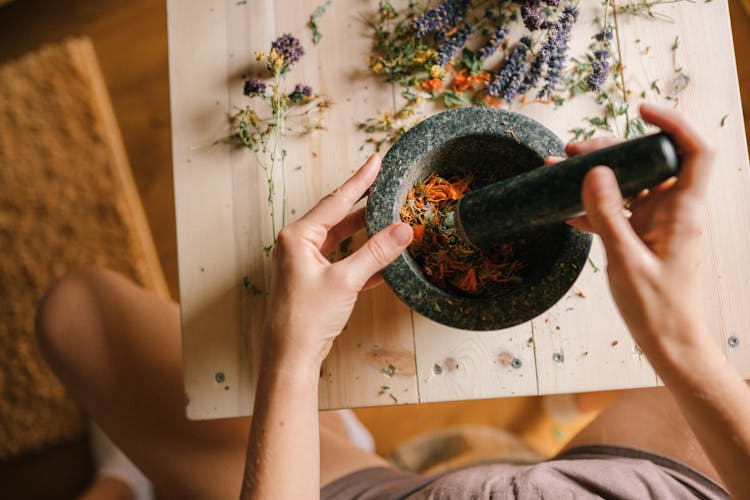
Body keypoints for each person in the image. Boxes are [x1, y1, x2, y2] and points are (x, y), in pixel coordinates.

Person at [35, 103, 750, 499]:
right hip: (651, 484)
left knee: (74, 311)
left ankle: (123, 485)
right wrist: (683, 347)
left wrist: (293, 355)